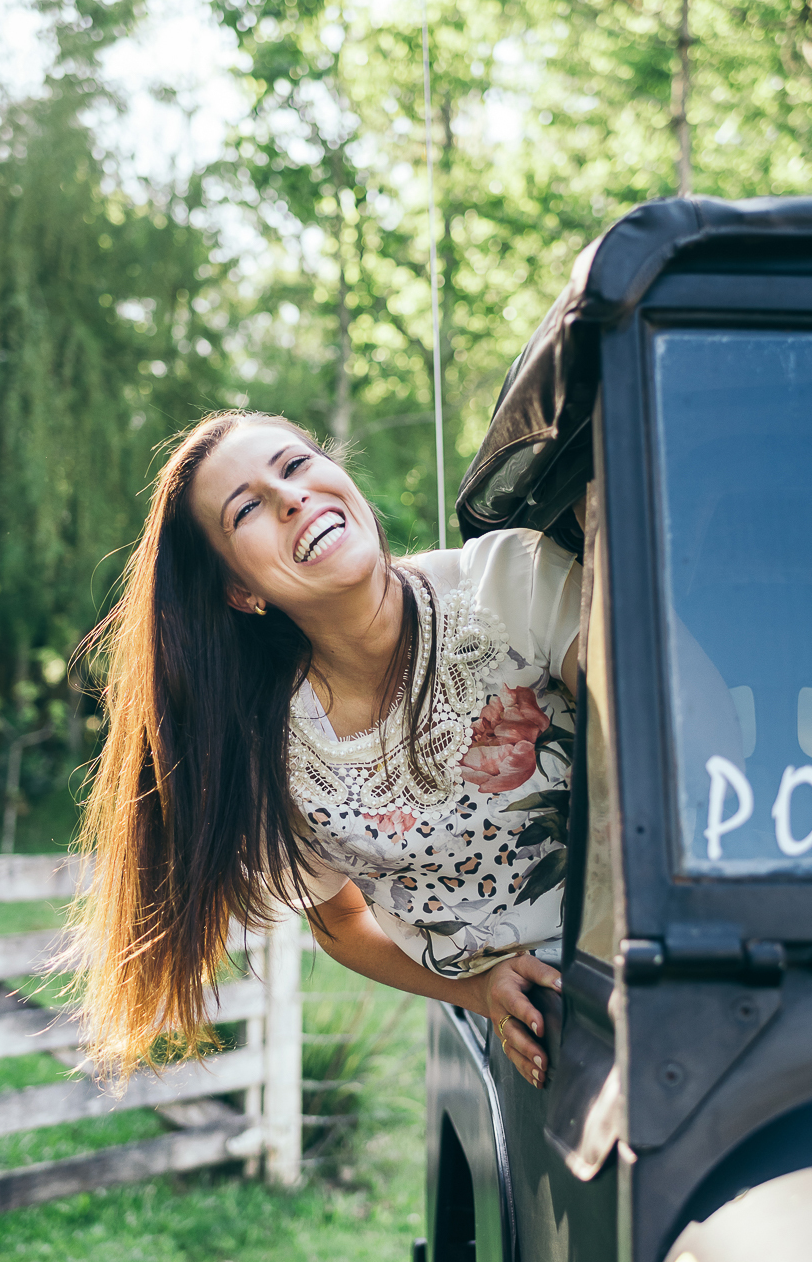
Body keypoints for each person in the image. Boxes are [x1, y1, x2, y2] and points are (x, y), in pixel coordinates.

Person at [72, 411, 582, 1092]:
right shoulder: (276, 759)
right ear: (239, 590)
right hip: (546, 1040)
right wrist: (479, 992)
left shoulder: (508, 582)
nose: (289, 497)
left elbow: (660, 719)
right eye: (246, 507)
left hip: (665, 955)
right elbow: (338, 920)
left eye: (294, 464)